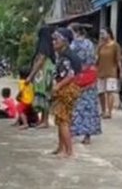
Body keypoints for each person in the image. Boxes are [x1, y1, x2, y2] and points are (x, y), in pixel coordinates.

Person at [51, 28, 82, 158]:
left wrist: (58, 86)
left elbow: (70, 75)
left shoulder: (66, 56)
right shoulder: (65, 54)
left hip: (66, 89)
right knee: (60, 119)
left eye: (56, 39)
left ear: (65, 41)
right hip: (66, 88)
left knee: (63, 120)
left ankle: (69, 151)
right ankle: (61, 147)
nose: (53, 42)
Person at [69, 24, 101, 145]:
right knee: (89, 107)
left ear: (75, 32)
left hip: (78, 77)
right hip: (91, 77)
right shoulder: (90, 44)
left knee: (75, 107)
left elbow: (71, 60)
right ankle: (87, 136)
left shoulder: (74, 45)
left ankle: (71, 133)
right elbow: (93, 60)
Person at [27, 26, 56, 129]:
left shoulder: (43, 46)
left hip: (43, 74)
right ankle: (43, 119)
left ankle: (45, 121)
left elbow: (40, 60)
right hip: (45, 74)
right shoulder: (51, 45)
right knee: (44, 95)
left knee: (44, 95)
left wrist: (31, 75)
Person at [97, 28, 122, 119]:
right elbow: (97, 59)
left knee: (109, 92)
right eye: (100, 34)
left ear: (109, 34)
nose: (101, 36)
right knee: (100, 92)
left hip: (111, 72)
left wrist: (121, 71)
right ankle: (103, 110)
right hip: (100, 72)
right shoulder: (100, 46)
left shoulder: (115, 46)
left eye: (103, 33)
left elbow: (118, 60)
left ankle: (109, 112)